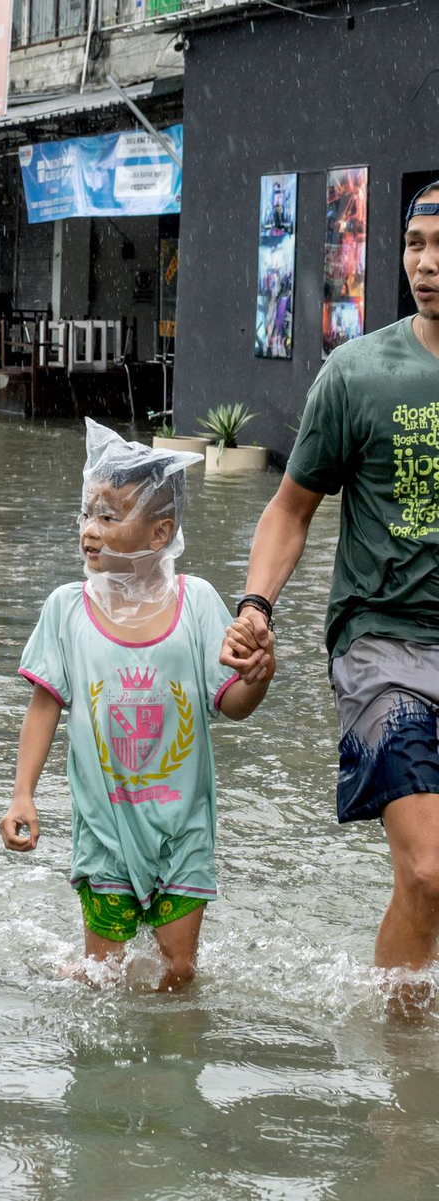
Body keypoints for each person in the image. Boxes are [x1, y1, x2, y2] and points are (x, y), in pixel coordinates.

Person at [222, 180, 439, 1012]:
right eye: (416, 244)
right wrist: (255, 607)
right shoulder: (357, 375)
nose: (424, 262)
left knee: (431, 881)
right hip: (382, 645)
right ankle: (405, 1083)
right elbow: (289, 509)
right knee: (427, 867)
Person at [0, 420, 274, 990]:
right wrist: (22, 794)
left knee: (179, 972)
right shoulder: (66, 609)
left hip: (183, 827)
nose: (89, 531)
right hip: (104, 829)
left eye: (109, 515)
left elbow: (232, 703)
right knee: (103, 979)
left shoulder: (196, 604)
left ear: (159, 533)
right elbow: (44, 706)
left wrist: (259, 675)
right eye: (87, 513)